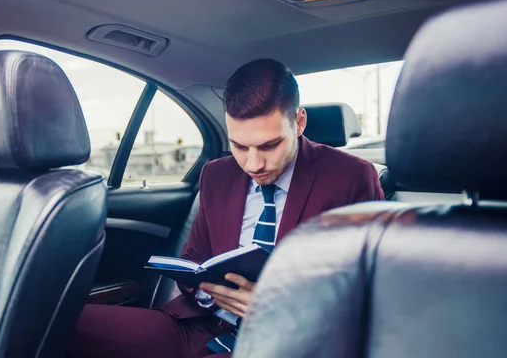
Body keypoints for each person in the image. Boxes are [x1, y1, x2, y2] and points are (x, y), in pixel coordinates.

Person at [67, 59, 384, 358]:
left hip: (289, 342)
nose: (253, 163)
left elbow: (373, 288)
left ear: (299, 122)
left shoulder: (351, 177)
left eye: (270, 145)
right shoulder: (217, 174)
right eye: (239, 146)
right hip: (199, 325)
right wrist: (210, 292)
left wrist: (281, 309)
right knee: (54, 323)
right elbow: (194, 260)